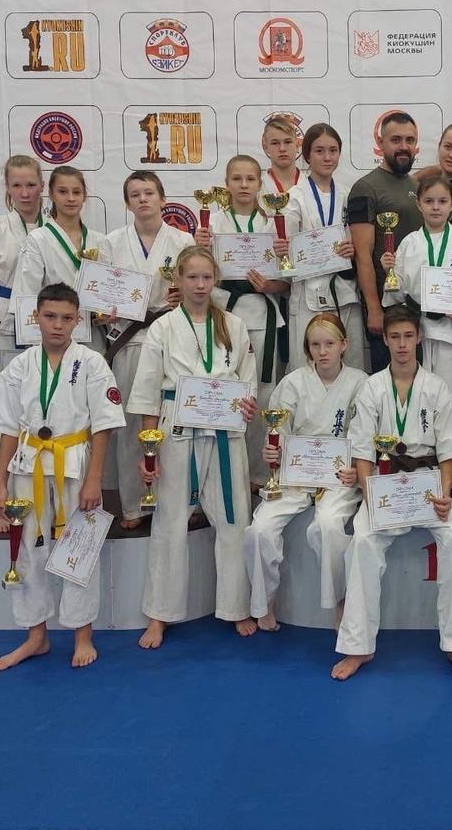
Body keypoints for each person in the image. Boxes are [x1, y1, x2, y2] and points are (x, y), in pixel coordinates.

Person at [332, 304, 452, 683]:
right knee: (362, 542)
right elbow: (362, 450)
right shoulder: (371, 388)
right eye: (394, 337)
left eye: (408, 336)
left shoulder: (437, 388)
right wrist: (371, 498)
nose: (401, 344)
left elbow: (448, 451)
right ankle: (358, 646)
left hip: (428, 483)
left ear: (419, 338)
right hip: (383, 483)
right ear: (384, 339)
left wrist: (444, 495)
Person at [0, 283, 125, 671]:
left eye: (66, 318)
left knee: (79, 548)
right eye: (50, 316)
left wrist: (95, 479)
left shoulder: (92, 363)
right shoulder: (20, 366)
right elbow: (7, 428)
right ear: (36, 317)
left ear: (78, 321)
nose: (57, 325)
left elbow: (104, 426)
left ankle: (82, 634)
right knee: (29, 550)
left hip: (74, 463)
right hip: (28, 465)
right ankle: (36, 635)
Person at [129, 246, 260, 646]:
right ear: (178, 281)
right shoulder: (163, 328)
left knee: (234, 519)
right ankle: (160, 614)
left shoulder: (234, 325)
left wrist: (248, 403)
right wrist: (148, 450)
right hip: (177, 430)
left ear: (215, 279)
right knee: (170, 521)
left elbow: (247, 381)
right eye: (192, 277)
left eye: (206, 277)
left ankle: (236, 607)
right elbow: (148, 393)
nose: (200, 285)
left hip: (225, 433)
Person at [243, 313, 366, 631]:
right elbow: (277, 431)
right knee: (260, 529)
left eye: (329, 344)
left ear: (344, 345)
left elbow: (365, 434)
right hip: (296, 476)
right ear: (307, 348)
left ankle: (339, 600)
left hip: (339, 477)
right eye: (315, 345)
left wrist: (357, 469)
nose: (322, 352)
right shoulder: (293, 382)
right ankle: (265, 601)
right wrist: (273, 451)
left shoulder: (360, 383)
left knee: (327, 526)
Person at [103, 171, 194, 530]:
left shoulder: (183, 240)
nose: (143, 199)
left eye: (149, 193)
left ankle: (179, 500)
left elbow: (199, 285)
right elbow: (101, 294)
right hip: (129, 338)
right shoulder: (112, 243)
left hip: (173, 339)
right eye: (135, 195)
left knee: (175, 424)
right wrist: (105, 309)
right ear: (127, 203)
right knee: (132, 425)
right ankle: (134, 505)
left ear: (162, 198)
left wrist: (184, 295)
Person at [196, 155, 290, 486]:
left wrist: (270, 285)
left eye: (250, 179)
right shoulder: (212, 225)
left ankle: (261, 474)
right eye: (237, 179)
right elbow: (198, 272)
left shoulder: (273, 226)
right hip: (223, 313)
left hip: (263, 315)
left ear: (260, 184)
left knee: (262, 395)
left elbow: (287, 282)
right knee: (222, 389)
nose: (244, 185)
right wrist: (200, 246)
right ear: (226, 184)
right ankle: (223, 473)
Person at [0, 155, 47, 533]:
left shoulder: (56, 228)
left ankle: (47, 496)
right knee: (1, 415)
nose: (24, 192)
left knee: (45, 414)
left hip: (48, 327)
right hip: (4, 325)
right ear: (7, 188)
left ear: (42, 186)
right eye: (17, 185)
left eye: (31, 184)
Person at [382, 173, 452, 389]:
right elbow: (397, 296)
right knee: (418, 390)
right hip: (416, 331)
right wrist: (388, 272)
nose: (436, 207)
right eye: (429, 201)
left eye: (442, 201)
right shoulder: (409, 243)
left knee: (450, 391)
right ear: (419, 205)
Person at [281, 124, 365, 373]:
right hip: (308, 292)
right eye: (319, 151)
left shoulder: (348, 195)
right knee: (308, 367)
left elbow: (359, 240)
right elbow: (286, 249)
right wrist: (286, 250)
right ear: (307, 155)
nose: (327, 157)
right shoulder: (294, 197)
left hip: (344, 291)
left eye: (333, 150)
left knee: (350, 364)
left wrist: (352, 250)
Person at [347, 111, 422, 371]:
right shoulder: (364, 188)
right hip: (384, 303)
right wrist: (374, 308)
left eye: (410, 140)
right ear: (380, 143)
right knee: (386, 379)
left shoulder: (417, 186)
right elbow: (362, 254)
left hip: (416, 303)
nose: (404, 146)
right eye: (396, 140)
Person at [12, 165, 111, 353]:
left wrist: (107, 312)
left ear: (84, 196)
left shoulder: (100, 240)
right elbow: (27, 293)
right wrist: (34, 344)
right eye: (63, 192)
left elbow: (107, 291)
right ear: (51, 195)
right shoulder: (38, 239)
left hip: (93, 336)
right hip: (53, 336)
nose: (71, 198)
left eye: (76, 192)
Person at [262, 115, 302, 196]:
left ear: (297, 145)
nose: (282, 148)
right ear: (266, 148)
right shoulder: (257, 188)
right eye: (275, 143)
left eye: (288, 142)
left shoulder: (312, 186)